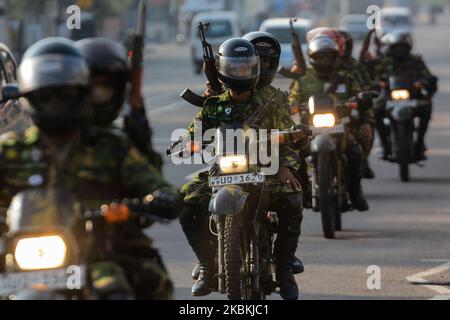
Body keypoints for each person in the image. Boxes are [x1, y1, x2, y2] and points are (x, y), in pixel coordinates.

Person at [0, 37, 179, 299]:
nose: (55, 103)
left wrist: (156, 200)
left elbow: (157, 187)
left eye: (65, 94)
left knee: (134, 286)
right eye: (45, 95)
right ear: (29, 96)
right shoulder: (10, 150)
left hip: (95, 255)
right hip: (17, 258)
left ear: (81, 93)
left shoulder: (110, 146)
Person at [179, 38, 305, 300]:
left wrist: (286, 166)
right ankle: (207, 265)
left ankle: (283, 268)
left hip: (266, 169)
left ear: (256, 68)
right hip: (222, 170)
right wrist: (187, 145)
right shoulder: (213, 105)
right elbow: (193, 133)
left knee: (292, 201)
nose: (240, 73)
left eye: (245, 67)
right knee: (187, 203)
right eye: (234, 68)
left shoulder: (273, 102)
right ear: (224, 70)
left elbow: (290, 137)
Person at [289, 35, 373, 212]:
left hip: (340, 127)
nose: (324, 61)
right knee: (294, 157)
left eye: (328, 56)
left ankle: (355, 191)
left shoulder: (346, 79)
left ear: (336, 57)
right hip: (309, 131)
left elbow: (360, 96)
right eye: (320, 57)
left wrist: (361, 101)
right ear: (312, 58)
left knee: (356, 154)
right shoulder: (303, 81)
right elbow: (291, 101)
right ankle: (303, 192)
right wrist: (292, 106)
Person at [76, 37, 163, 171]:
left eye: (106, 86)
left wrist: (140, 129)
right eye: (93, 86)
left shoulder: (120, 145)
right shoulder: (60, 135)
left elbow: (152, 179)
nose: (99, 93)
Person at [374, 31, 438, 160]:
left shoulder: (416, 60)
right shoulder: (385, 62)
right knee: (376, 111)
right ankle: (385, 145)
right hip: (389, 98)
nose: (400, 51)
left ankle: (419, 142)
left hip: (413, 98)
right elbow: (374, 77)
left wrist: (423, 82)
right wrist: (379, 83)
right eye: (396, 48)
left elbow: (428, 76)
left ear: (408, 47)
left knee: (426, 108)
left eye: (402, 47)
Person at [338, 30, 376, 179]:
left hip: (349, 111)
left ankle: (362, 163)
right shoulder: (311, 73)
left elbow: (366, 85)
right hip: (317, 116)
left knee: (366, 130)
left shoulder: (354, 68)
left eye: (344, 46)